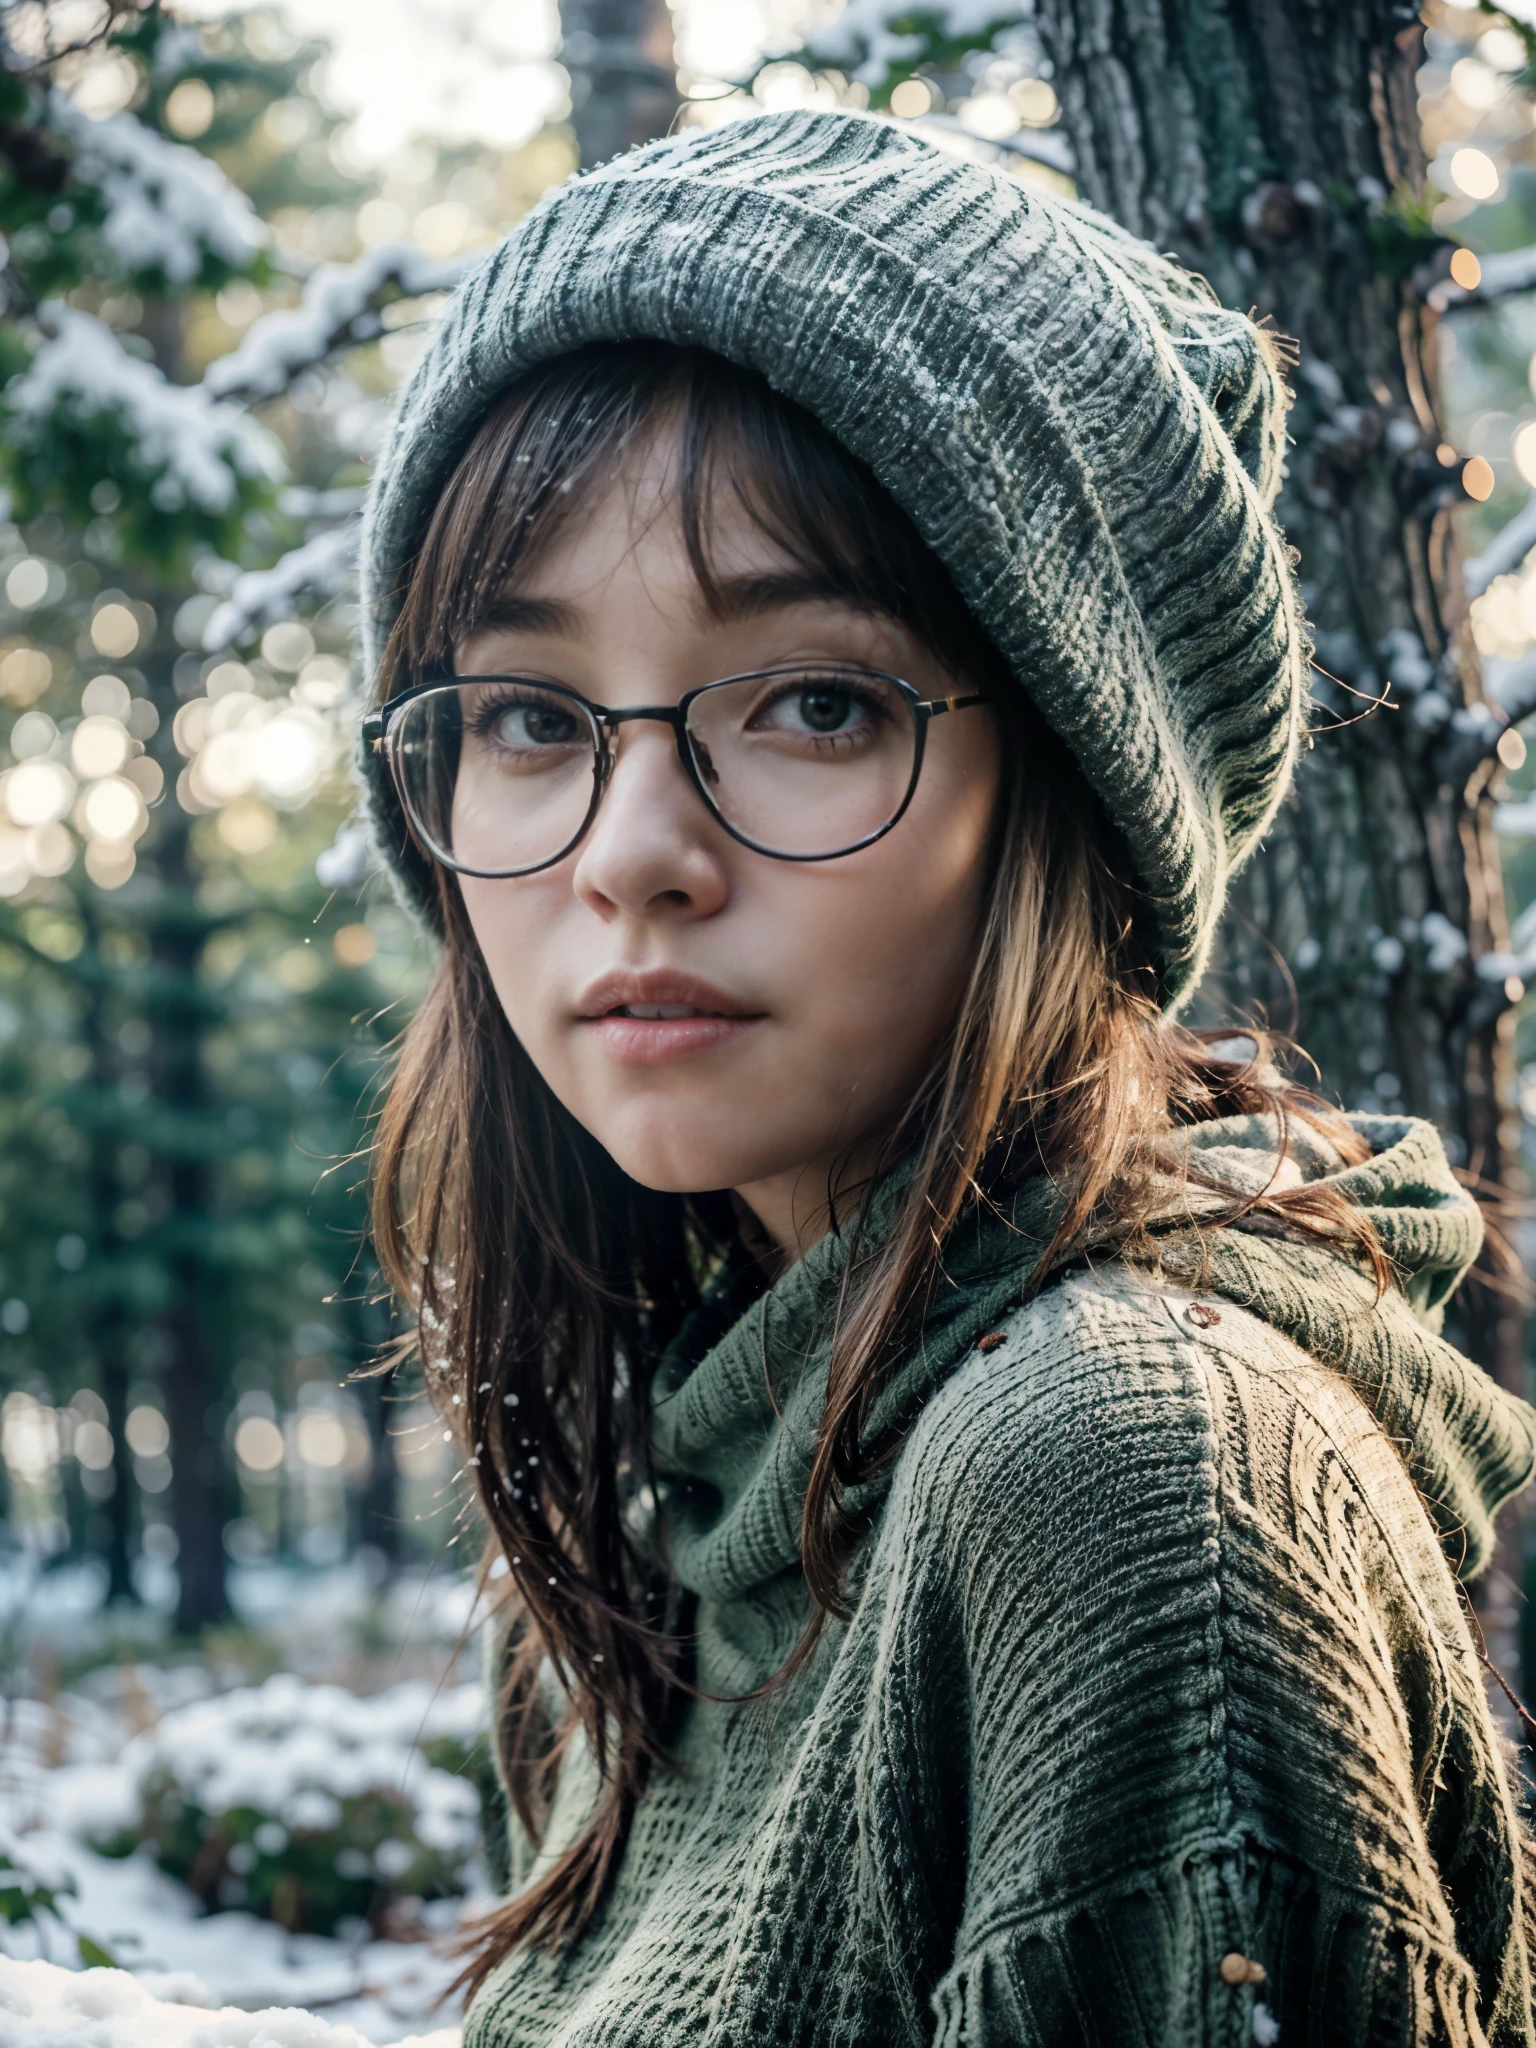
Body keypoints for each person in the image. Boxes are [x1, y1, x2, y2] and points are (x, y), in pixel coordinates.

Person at [357, 108, 1536, 2045]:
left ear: (1067, 801)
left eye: (815, 699)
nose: (630, 845)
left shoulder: (1126, 1490)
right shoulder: (657, 1515)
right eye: (530, 716)